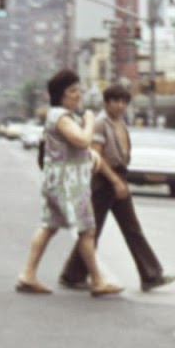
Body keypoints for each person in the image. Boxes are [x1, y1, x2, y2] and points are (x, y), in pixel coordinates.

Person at [57, 84, 175, 293]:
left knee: (131, 229)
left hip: (118, 176)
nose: (120, 106)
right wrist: (115, 181)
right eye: (116, 101)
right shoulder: (101, 123)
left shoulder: (120, 123)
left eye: (124, 102)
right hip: (104, 180)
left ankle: (150, 275)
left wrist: (120, 179)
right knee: (93, 230)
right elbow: (97, 156)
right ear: (107, 102)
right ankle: (72, 274)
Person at [15, 69, 124, 297]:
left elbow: (74, 148)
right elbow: (82, 140)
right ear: (60, 95)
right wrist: (91, 121)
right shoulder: (61, 117)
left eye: (78, 90)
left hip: (61, 180)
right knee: (87, 230)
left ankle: (28, 274)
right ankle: (97, 280)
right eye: (72, 91)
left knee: (49, 225)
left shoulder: (63, 116)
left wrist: (90, 155)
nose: (78, 95)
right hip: (69, 183)